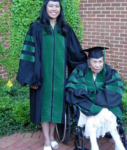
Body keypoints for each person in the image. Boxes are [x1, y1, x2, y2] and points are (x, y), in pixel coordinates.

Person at [16, 0, 87, 150]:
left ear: (60, 9)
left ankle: (53, 136)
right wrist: (32, 78)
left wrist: (84, 67)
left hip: (60, 78)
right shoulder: (36, 27)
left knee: (56, 107)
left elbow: (75, 52)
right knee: (44, 106)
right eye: (51, 6)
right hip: (42, 77)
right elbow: (29, 53)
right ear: (45, 8)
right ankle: (47, 140)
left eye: (57, 6)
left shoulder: (65, 28)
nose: (54, 9)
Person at [66, 46, 125, 150]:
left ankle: (118, 143)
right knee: (92, 113)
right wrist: (91, 98)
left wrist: (100, 100)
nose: (98, 65)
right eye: (94, 62)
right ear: (89, 62)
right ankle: (94, 145)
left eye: (100, 61)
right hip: (86, 102)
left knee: (109, 113)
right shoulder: (81, 70)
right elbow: (75, 88)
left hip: (105, 102)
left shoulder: (108, 71)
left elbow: (115, 87)